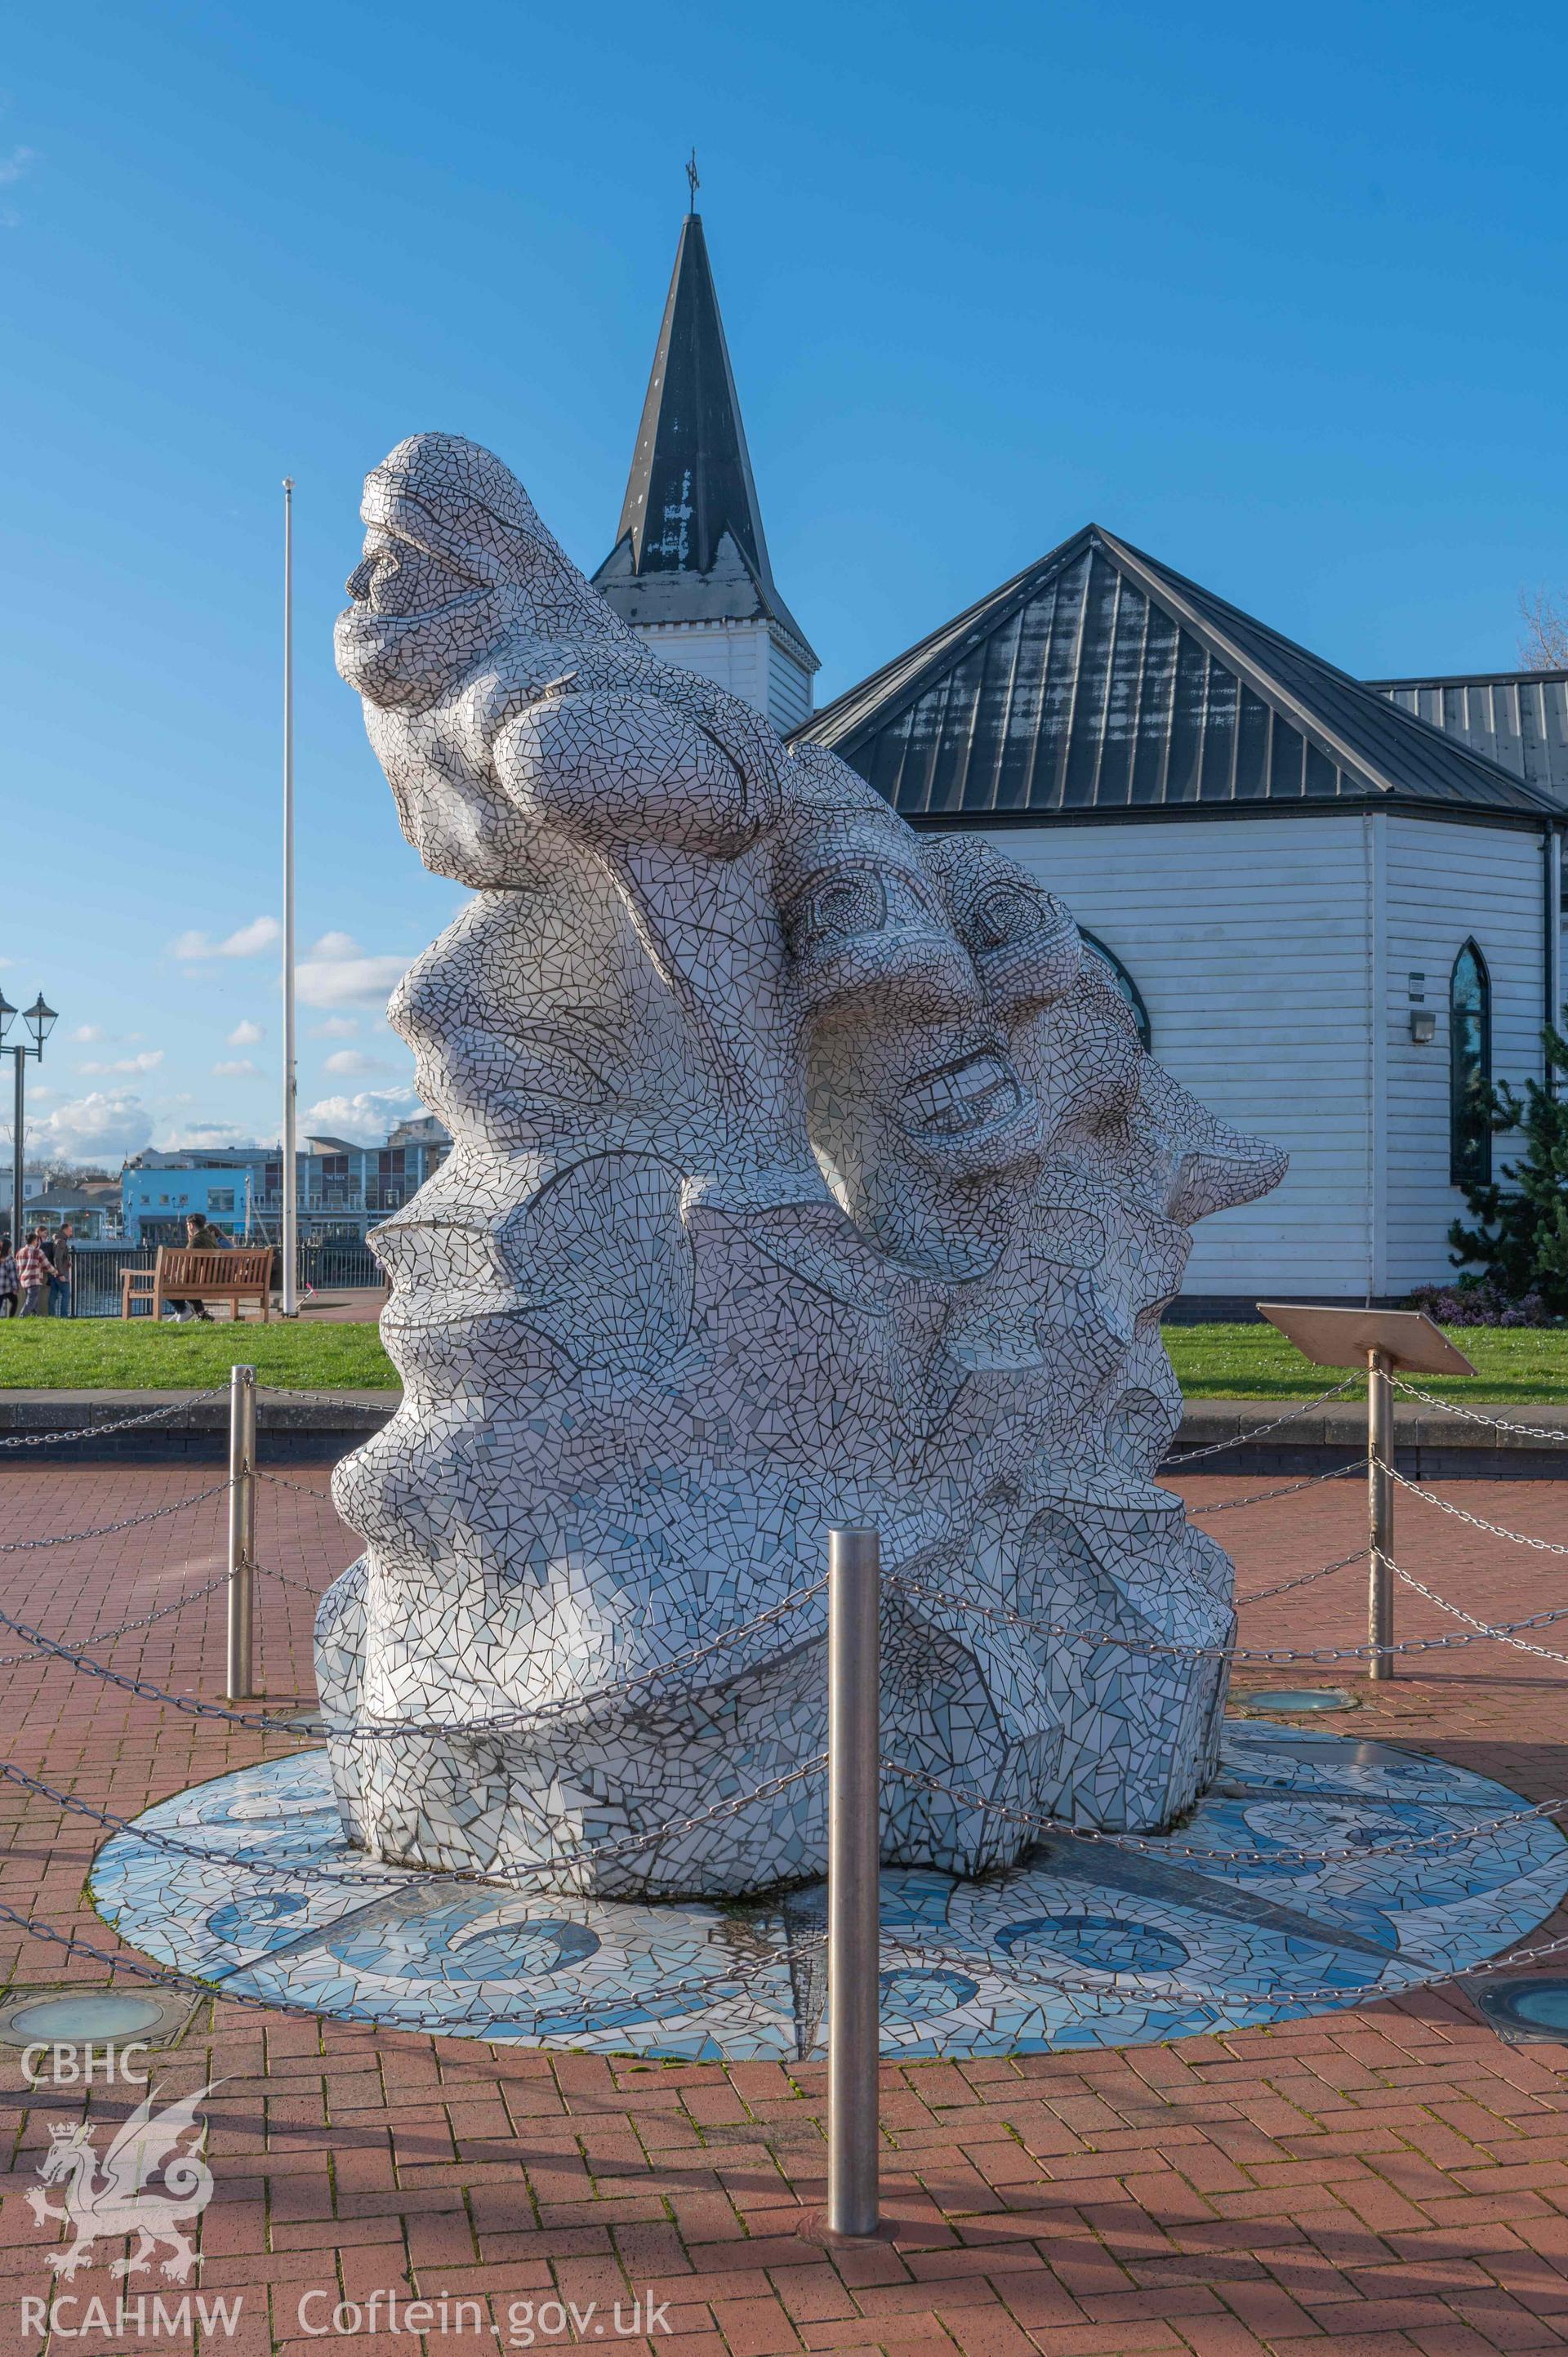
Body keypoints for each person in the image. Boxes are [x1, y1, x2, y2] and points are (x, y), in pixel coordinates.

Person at [164, 1210, 229, 1322]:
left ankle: (182, 1310)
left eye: (187, 1225)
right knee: (189, 1281)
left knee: (167, 1282)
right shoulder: (210, 1238)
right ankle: (202, 1314)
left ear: (191, 1225)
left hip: (202, 1281)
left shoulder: (195, 1242)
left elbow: (189, 1267)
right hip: (218, 1279)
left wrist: (176, 1275)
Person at [15, 1230, 51, 1317]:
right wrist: (56, 1272)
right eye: (37, 1241)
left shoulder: (19, 1252)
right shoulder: (38, 1252)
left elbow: (17, 1267)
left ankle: (35, 1316)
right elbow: (47, 1265)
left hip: (23, 1280)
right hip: (34, 1279)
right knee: (31, 1301)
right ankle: (22, 1316)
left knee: (33, 1300)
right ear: (34, 1241)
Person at [46, 1220, 73, 1319]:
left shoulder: (56, 1240)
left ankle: (51, 1315)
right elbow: (57, 1258)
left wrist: (67, 1262)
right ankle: (64, 1316)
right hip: (60, 1272)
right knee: (66, 1294)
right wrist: (61, 1274)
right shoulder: (61, 1242)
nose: (71, 1233)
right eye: (70, 1231)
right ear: (65, 1230)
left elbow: (59, 1258)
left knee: (53, 1294)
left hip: (54, 1272)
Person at [0, 1236, 16, 1317]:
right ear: (9, 1247)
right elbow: (12, 1274)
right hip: (7, 1287)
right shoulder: (9, 1258)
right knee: (15, 1302)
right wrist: (15, 1287)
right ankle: (10, 1320)